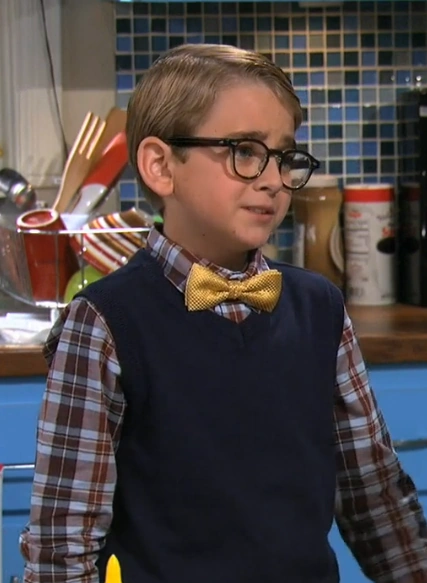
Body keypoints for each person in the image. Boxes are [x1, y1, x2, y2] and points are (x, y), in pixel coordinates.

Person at [21, 43, 427, 583]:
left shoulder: (321, 308)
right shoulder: (105, 322)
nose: (273, 179)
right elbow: (62, 544)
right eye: (245, 151)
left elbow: (374, 498)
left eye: (284, 157)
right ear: (161, 166)